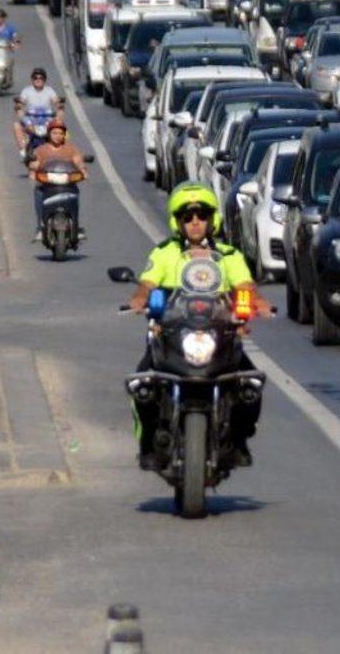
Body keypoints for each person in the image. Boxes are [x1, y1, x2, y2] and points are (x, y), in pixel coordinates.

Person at [128, 181, 273, 470]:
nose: (195, 222)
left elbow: (245, 286)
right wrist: (139, 299)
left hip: (218, 336)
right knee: (142, 384)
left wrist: (258, 303)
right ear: (177, 221)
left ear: (212, 219)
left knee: (250, 385)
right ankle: (149, 446)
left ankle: (239, 440)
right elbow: (147, 283)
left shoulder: (229, 256)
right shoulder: (165, 253)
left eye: (202, 215)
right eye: (188, 216)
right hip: (171, 335)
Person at [29, 118, 87, 242]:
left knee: (75, 195)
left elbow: (78, 161)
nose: (58, 136)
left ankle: (75, 226)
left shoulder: (70, 149)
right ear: (49, 134)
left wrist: (83, 170)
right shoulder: (41, 149)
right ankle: (41, 226)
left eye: (60, 133)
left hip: (67, 183)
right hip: (47, 184)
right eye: (55, 133)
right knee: (38, 192)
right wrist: (33, 168)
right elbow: (35, 162)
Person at [14, 67, 62, 155]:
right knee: (16, 125)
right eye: (35, 78)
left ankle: (61, 147)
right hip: (31, 120)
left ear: (44, 80)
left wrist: (59, 104)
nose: (38, 80)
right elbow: (21, 102)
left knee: (60, 124)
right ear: (32, 79)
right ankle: (23, 150)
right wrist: (19, 105)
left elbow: (56, 101)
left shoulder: (49, 90)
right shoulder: (26, 91)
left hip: (47, 119)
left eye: (41, 78)